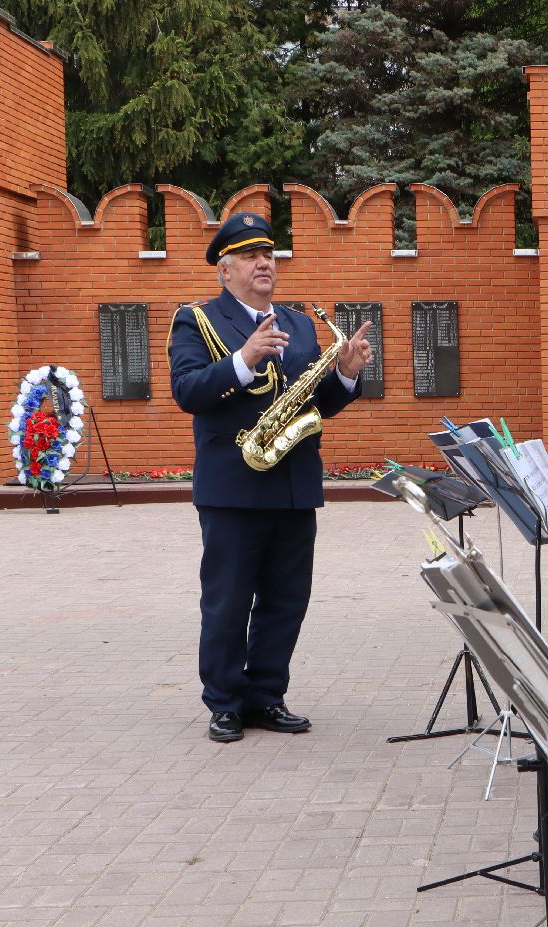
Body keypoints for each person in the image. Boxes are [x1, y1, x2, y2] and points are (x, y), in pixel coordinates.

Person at [169, 213, 373, 743]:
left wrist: (347, 372)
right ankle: (225, 702)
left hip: (293, 484)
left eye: (271, 255)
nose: (265, 263)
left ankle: (266, 694)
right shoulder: (197, 320)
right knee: (229, 599)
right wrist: (242, 359)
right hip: (233, 487)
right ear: (225, 269)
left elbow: (317, 403)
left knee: (287, 598)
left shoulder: (301, 324)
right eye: (252, 256)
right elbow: (188, 391)